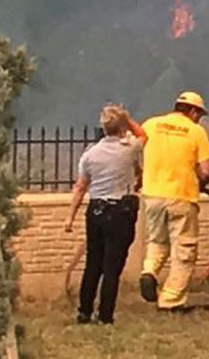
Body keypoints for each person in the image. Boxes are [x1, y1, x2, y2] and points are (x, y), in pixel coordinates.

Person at [65, 104, 146, 325]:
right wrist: (126, 118)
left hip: (96, 210)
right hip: (121, 211)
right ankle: (105, 315)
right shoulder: (129, 150)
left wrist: (70, 217)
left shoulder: (90, 155)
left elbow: (80, 187)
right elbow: (143, 134)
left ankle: (84, 311)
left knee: (93, 263)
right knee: (112, 267)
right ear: (121, 128)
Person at [138, 90, 209, 311]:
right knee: (184, 250)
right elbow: (207, 171)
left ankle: (149, 271)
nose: (199, 118)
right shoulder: (196, 131)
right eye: (199, 114)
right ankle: (171, 302)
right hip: (181, 196)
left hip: (152, 195)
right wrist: (201, 183)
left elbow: (133, 151)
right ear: (193, 111)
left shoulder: (151, 125)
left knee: (157, 241)